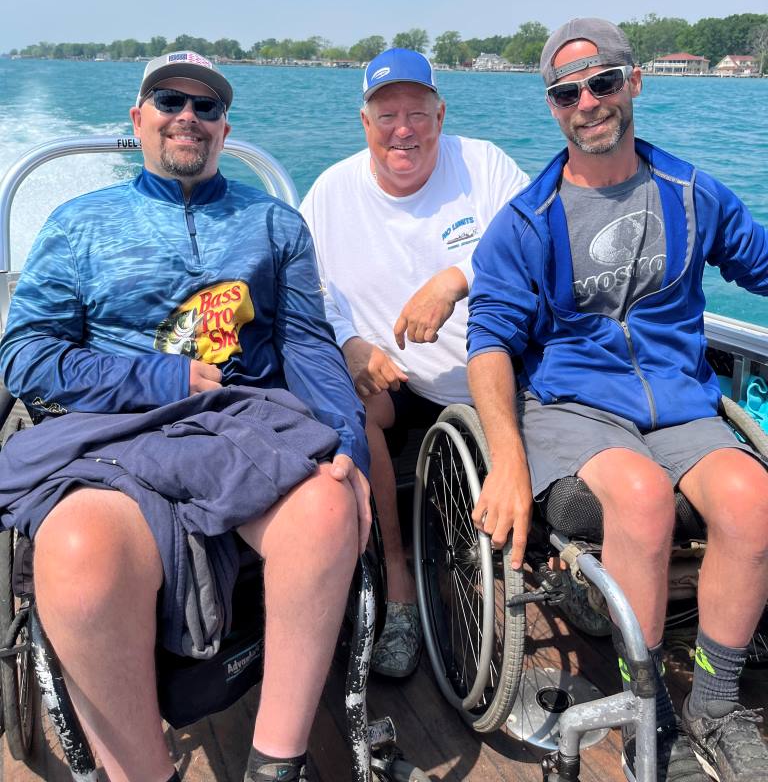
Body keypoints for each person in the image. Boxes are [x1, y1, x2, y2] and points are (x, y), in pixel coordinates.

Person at [0, 52, 370, 782]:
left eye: (206, 107)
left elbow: (308, 346)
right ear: (138, 118)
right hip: (115, 429)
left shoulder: (274, 224)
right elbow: (25, 356)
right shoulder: (78, 225)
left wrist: (349, 444)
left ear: (224, 129)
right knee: (76, 552)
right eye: (170, 100)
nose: (187, 118)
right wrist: (155, 375)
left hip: (243, 420)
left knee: (329, 509)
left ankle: (276, 764)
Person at [467, 18, 768, 782]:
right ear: (553, 106)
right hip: (574, 408)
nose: (588, 102)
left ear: (635, 81)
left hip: (680, 399)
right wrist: (505, 459)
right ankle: (648, 712)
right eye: (568, 92)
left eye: (603, 82)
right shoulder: (528, 220)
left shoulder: (690, 194)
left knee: (753, 500)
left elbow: (760, 263)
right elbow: (491, 344)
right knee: (640, 500)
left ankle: (715, 699)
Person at [300, 47, 528, 677]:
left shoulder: (486, 167)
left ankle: (556, 566)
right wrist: (350, 344)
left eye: (418, 113)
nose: (404, 129)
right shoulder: (329, 193)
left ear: (441, 114)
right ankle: (398, 585)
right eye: (387, 114)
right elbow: (306, 290)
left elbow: (537, 246)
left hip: (497, 365)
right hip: (396, 380)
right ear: (364, 123)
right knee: (354, 407)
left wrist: (455, 276)